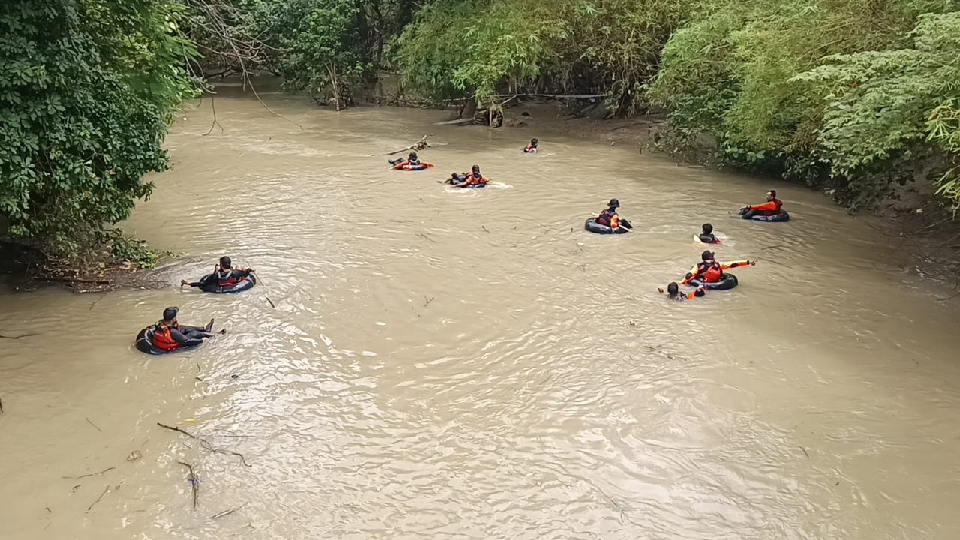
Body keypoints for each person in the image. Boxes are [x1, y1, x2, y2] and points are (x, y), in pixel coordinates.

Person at [150, 307, 217, 351]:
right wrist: (202, 340)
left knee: (183, 328)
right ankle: (214, 336)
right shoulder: (173, 331)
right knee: (193, 333)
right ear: (173, 319)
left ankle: (205, 329)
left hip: (170, 338)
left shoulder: (160, 325)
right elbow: (186, 341)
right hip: (178, 344)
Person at [682, 250, 754, 285]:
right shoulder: (718, 264)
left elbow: (689, 275)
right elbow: (733, 264)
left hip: (705, 284)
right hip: (718, 283)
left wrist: (682, 282)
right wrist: (747, 262)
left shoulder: (698, 266)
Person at [181, 256, 254, 290]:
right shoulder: (236, 272)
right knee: (239, 267)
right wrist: (250, 270)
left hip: (219, 284)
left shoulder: (216, 276)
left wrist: (188, 284)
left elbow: (203, 283)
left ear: (221, 265)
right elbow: (245, 273)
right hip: (232, 283)